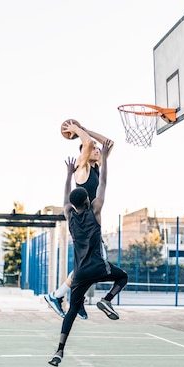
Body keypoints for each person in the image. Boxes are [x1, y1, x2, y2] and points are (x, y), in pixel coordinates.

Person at [48, 140, 128, 367]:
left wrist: (68, 175)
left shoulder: (69, 216)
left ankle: (59, 351)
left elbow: (65, 198)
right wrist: (104, 158)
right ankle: (106, 300)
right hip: (99, 268)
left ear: (74, 205)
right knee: (122, 277)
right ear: (88, 200)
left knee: (72, 310)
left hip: (80, 272)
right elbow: (103, 182)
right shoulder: (96, 210)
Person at [45, 119, 114, 320]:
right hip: (84, 224)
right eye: (92, 149)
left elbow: (108, 143)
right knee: (94, 265)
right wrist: (76, 130)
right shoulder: (81, 167)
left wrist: (84, 129)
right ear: (84, 151)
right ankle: (66, 298)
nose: (97, 150)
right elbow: (91, 144)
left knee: (85, 267)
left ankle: (64, 298)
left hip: (91, 224)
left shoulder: (96, 165)